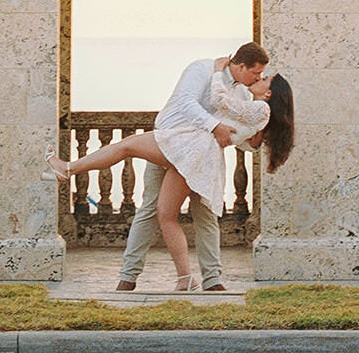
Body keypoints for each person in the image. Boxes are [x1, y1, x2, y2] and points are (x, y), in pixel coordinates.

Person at [45, 43, 294, 291]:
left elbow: (233, 129)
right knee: (152, 209)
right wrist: (216, 127)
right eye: (256, 73)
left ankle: (210, 279)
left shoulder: (242, 95)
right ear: (241, 66)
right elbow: (187, 103)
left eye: (263, 77)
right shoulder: (202, 69)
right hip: (171, 140)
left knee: (200, 214)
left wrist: (243, 138)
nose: (258, 78)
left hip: (194, 153)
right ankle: (130, 276)